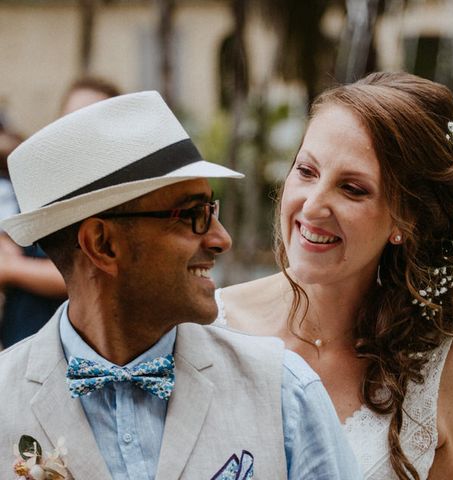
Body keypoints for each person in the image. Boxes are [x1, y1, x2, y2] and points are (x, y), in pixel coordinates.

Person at [0, 91, 361, 479]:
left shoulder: (282, 390)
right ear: (102, 244)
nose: (222, 239)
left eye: (213, 210)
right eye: (193, 215)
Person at [216, 72, 453, 479]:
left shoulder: (444, 369)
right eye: (306, 172)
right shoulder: (209, 328)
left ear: (405, 218)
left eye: (352, 189)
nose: (312, 207)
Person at [0, 128, 67, 348]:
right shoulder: (32, 192)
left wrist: (12, 268)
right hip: (21, 338)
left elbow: (84, 274)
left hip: (62, 344)